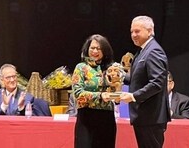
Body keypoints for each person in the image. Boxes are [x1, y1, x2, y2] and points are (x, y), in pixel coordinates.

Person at [120, 15, 171, 148]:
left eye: (137, 31)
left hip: (151, 117)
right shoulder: (143, 50)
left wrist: (133, 96)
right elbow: (137, 79)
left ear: (150, 31)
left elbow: (157, 84)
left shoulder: (153, 51)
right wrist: (120, 75)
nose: (133, 35)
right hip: (144, 117)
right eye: (132, 31)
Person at [72, 34, 117, 148]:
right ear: (87, 49)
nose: (95, 51)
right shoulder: (81, 67)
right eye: (92, 48)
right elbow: (77, 93)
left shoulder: (111, 68)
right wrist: (100, 96)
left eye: (99, 48)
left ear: (105, 51)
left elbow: (117, 91)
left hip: (107, 118)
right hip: (87, 117)